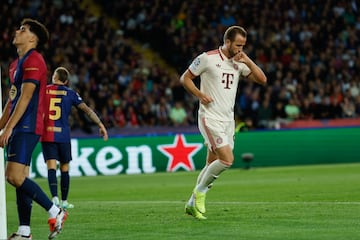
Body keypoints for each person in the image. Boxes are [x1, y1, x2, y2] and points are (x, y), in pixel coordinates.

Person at [180, 26, 267, 220]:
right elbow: (185, 78)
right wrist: (200, 95)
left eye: (243, 45)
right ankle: (200, 194)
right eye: (238, 45)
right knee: (227, 160)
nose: (240, 49)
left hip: (228, 120)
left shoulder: (239, 61)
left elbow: (262, 79)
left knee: (212, 163)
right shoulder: (207, 58)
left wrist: (248, 60)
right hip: (210, 117)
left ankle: (191, 204)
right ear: (227, 42)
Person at [0, 18, 67, 240]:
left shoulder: (34, 60)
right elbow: (12, 101)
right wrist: (1, 126)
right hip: (19, 125)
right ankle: (25, 232)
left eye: (23, 29)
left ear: (32, 38)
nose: (17, 31)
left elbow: (26, 97)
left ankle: (55, 211)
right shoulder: (16, 65)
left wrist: (8, 128)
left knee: (14, 176)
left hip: (27, 125)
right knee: (20, 177)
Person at [41, 66, 108, 210]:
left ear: (55, 77)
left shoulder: (44, 90)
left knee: (51, 166)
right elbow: (87, 111)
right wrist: (100, 124)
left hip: (47, 134)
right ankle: (64, 202)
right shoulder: (70, 93)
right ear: (65, 82)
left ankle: (54, 199)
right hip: (63, 135)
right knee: (65, 168)